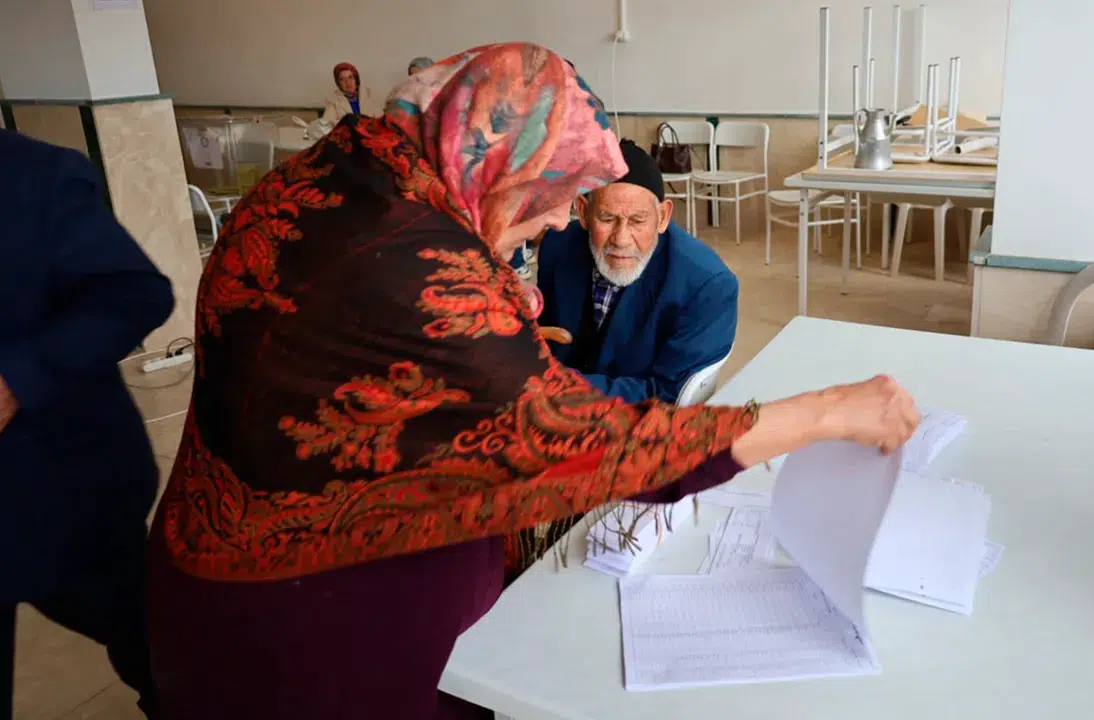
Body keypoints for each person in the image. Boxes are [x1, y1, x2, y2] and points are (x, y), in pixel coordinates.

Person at [147, 43, 918, 720]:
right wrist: (823, 411)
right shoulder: (420, 267)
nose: (557, 226)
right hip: (312, 627)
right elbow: (600, 446)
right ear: (497, 160)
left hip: (210, 560)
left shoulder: (336, 177)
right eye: (556, 198)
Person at [0, 131, 173, 719]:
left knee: (157, 653)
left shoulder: (33, 175)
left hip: (65, 492)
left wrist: (16, 380)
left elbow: (136, 294)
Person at [537, 139, 735, 403]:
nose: (621, 239)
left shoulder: (707, 285)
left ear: (663, 217)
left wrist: (555, 384)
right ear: (583, 212)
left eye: (637, 221)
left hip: (632, 426)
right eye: (606, 219)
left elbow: (666, 396)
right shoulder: (557, 246)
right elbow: (542, 338)